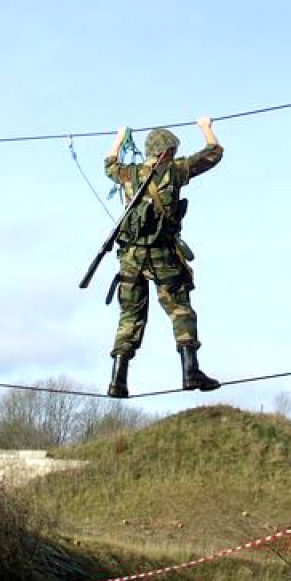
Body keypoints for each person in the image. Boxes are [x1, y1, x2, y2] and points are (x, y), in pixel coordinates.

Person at [102, 115, 223, 398]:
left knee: (129, 315)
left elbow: (108, 164)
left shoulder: (128, 174)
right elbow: (213, 154)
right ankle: (190, 372)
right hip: (162, 255)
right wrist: (206, 127)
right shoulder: (175, 170)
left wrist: (120, 136)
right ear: (166, 152)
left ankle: (117, 381)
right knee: (180, 309)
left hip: (130, 258)